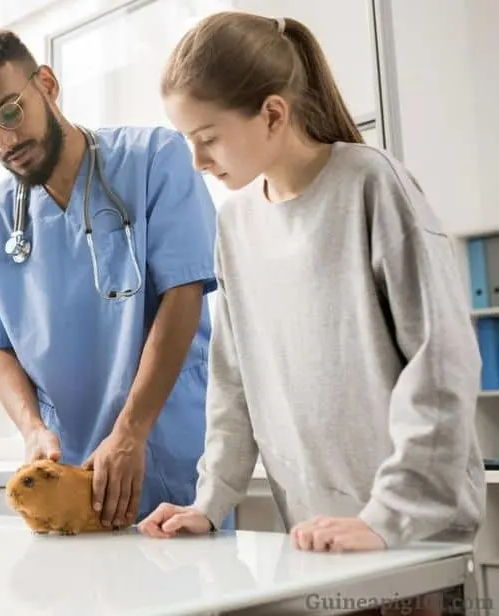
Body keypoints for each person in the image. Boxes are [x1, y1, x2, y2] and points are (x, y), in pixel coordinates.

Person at [136, 11, 486, 616]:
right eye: (186, 140)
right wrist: (209, 504)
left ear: (273, 113)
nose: (197, 160)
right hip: (317, 542)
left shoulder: (371, 184)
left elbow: (441, 360)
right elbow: (233, 383)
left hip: (411, 540)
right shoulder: (236, 224)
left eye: (209, 136)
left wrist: (388, 517)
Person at [0, 29, 223, 529]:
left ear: (47, 84)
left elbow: (185, 293)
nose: (3, 142)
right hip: (72, 476)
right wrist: (32, 430)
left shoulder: (155, 158)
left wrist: (132, 432)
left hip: (172, 455)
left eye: (9, 112)